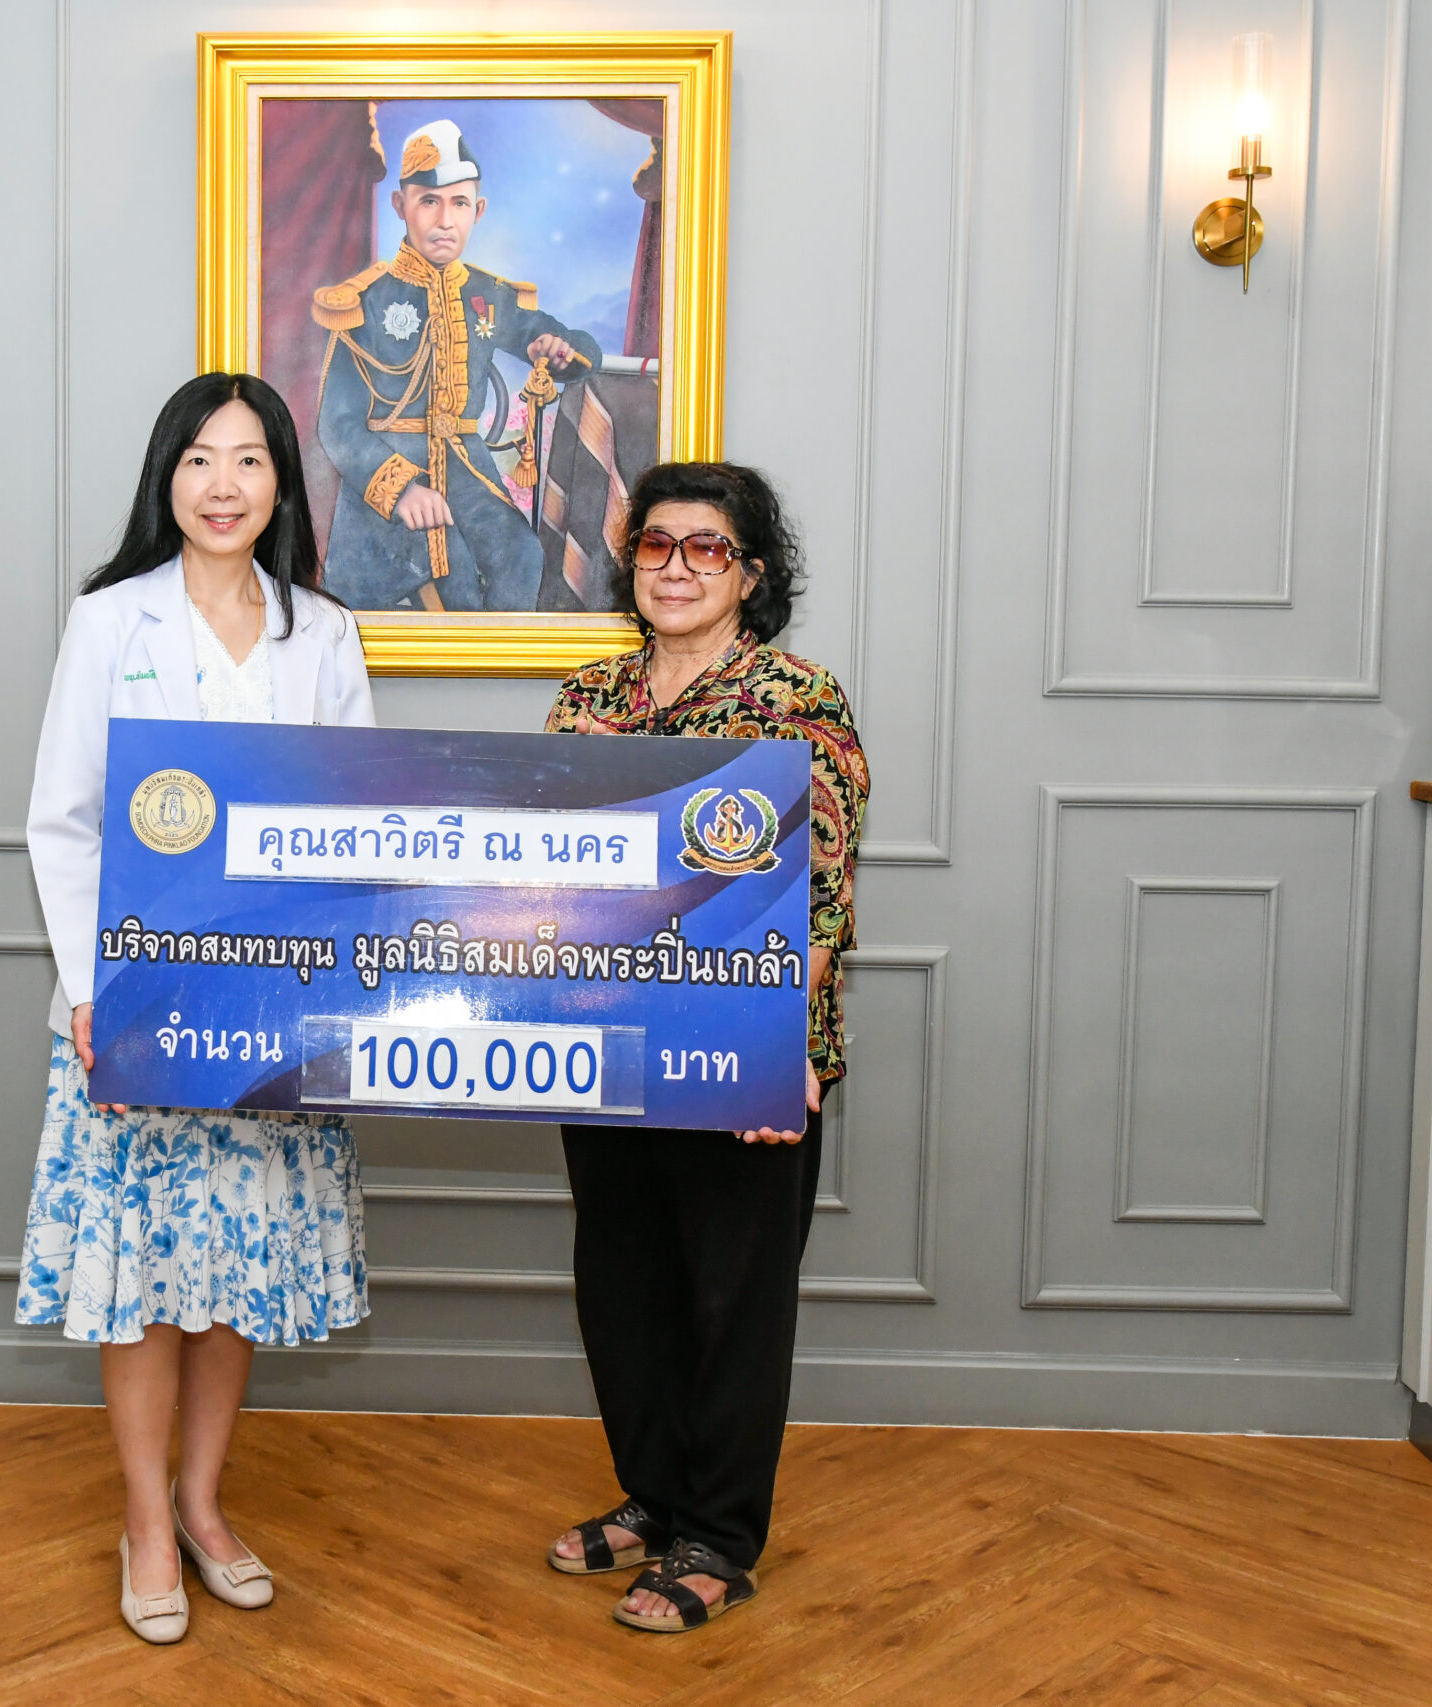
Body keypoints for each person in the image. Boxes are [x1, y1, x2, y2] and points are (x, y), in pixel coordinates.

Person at [20, 372, 376, 1645]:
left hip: (272, 1015)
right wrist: (92, 992)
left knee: (236, 1276)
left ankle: (206, 1504)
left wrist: (336, 994)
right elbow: (63, 819)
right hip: (135, 1008)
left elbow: (359, 826)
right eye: (198, 460)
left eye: (250, 461)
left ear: (283, 482)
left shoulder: (321, 633)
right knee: (144, 1279)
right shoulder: (110, 620)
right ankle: (144, 1523)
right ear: (166, 477)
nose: (223, 486)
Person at [540, 461, 869, 1634]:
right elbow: (545, 884)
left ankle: (719, 1540)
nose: (675, 567)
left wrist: (773, 1055)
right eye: (655, 544)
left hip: (742, 1059)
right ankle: (656, 1497)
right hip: (606, 1047)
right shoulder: (586, 701)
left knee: (731, 1303)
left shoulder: (796, 699)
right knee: (624, 1291)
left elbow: (820, 899)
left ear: (750, 573)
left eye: (706, 548)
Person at [311, 117, 604, 612]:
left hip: (468, 472)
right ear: (400, 205)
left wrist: (558, 350)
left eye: (460, 203)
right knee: (458, 585)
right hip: (386, 484)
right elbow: (337, 426)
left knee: (521, 556)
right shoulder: (365, 301)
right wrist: (402, 490)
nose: (445, 220)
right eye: (429, 201)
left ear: (478, 210)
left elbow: (573, 345)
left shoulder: (488, 295)